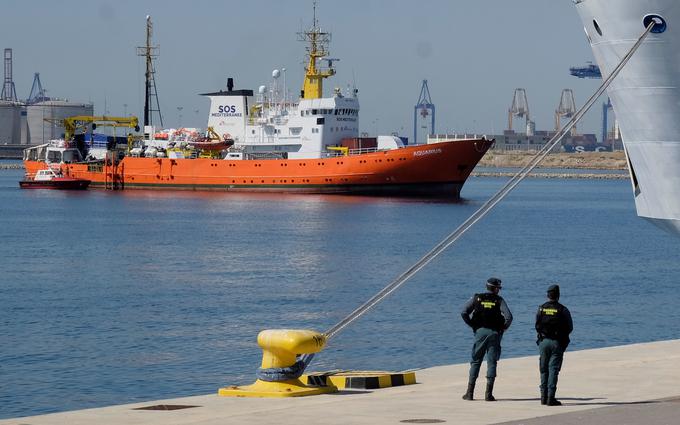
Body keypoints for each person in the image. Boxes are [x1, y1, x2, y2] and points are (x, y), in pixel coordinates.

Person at [460, 277, 513, 401]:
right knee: (492, 362)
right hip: (494, 333)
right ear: (494, 288)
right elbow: (509, 317)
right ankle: (488, 394)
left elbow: (463, 312)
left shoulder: (477, 298)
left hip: (480, 332)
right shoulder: (499, 300)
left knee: (475, 361)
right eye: (498, 288)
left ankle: (469, 393)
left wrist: (473, 326)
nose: (499, 291)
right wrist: (503, 329)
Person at [535, 284, 573, 406]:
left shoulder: (541, 308)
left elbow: (537, 325)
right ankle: (551, 398)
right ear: (558, 295)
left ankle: (543, 397)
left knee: (543, 369)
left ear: (548, 295)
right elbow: (570, 327)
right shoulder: (563, 310)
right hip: (557, 343)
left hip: (543, 342)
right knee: (553, 370)